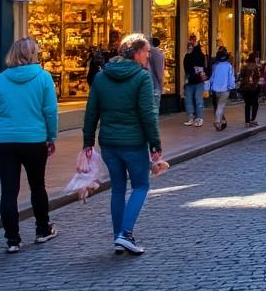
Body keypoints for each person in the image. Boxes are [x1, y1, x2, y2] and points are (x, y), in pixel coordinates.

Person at [82, 33, 162, 255]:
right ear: (136, 52)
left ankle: (119, 237)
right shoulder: (141, 77)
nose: (148, 55)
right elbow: (148, 113)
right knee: (140, 186)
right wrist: (155, 144)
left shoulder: (101, 76)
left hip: (109, 142)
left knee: (117, 189)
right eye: (146, 51)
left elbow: (91, 112)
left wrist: (87, 142)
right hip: (134, 142)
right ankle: (125, 233)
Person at [0, 37, 60, 252]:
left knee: (8, 191)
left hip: (4, 139)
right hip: (34, 139)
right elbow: (50, 111)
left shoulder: (1, 79)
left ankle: (12, 239)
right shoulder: (43, 77)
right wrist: (51, 136)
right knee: (37, 186)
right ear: (34, 53)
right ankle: (43, 229)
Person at [206, 48, 236, 131]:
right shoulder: (229, 66)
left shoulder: (216, 66)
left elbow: (212, 77)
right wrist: (232, 85)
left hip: (216, 89)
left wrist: (210, 87)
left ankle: (222, 122)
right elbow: (231, 77)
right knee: (221, 105)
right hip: (225, 89)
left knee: (220, 105)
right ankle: (217, 121)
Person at [181, 41, 208, 127]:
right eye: (189, 46)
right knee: (188, 99)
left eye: (192, 47)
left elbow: (203, 67)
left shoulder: (201, 56)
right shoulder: (187, 56)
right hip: (190, 81)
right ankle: (191, 117)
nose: (190, 48)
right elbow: (186, 67)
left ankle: (199, 117)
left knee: (197, 98)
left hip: (198, 81)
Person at [239, 53, 263, 128]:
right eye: (257, 57)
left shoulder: (244, 66)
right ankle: (252, 119)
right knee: (255, 103)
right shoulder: (256, 67)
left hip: (245, 88)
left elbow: (241, 76)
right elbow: (257, 77)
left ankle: (247, 121)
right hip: (253, 88)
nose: (258, 59)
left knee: (247, 105)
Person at [147, 36, 165, 115]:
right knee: (153, 114)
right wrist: (161, 86)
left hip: (147, 86)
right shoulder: (157, 53)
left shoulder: (145, 52)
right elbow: (159, 72)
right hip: (154, 87)